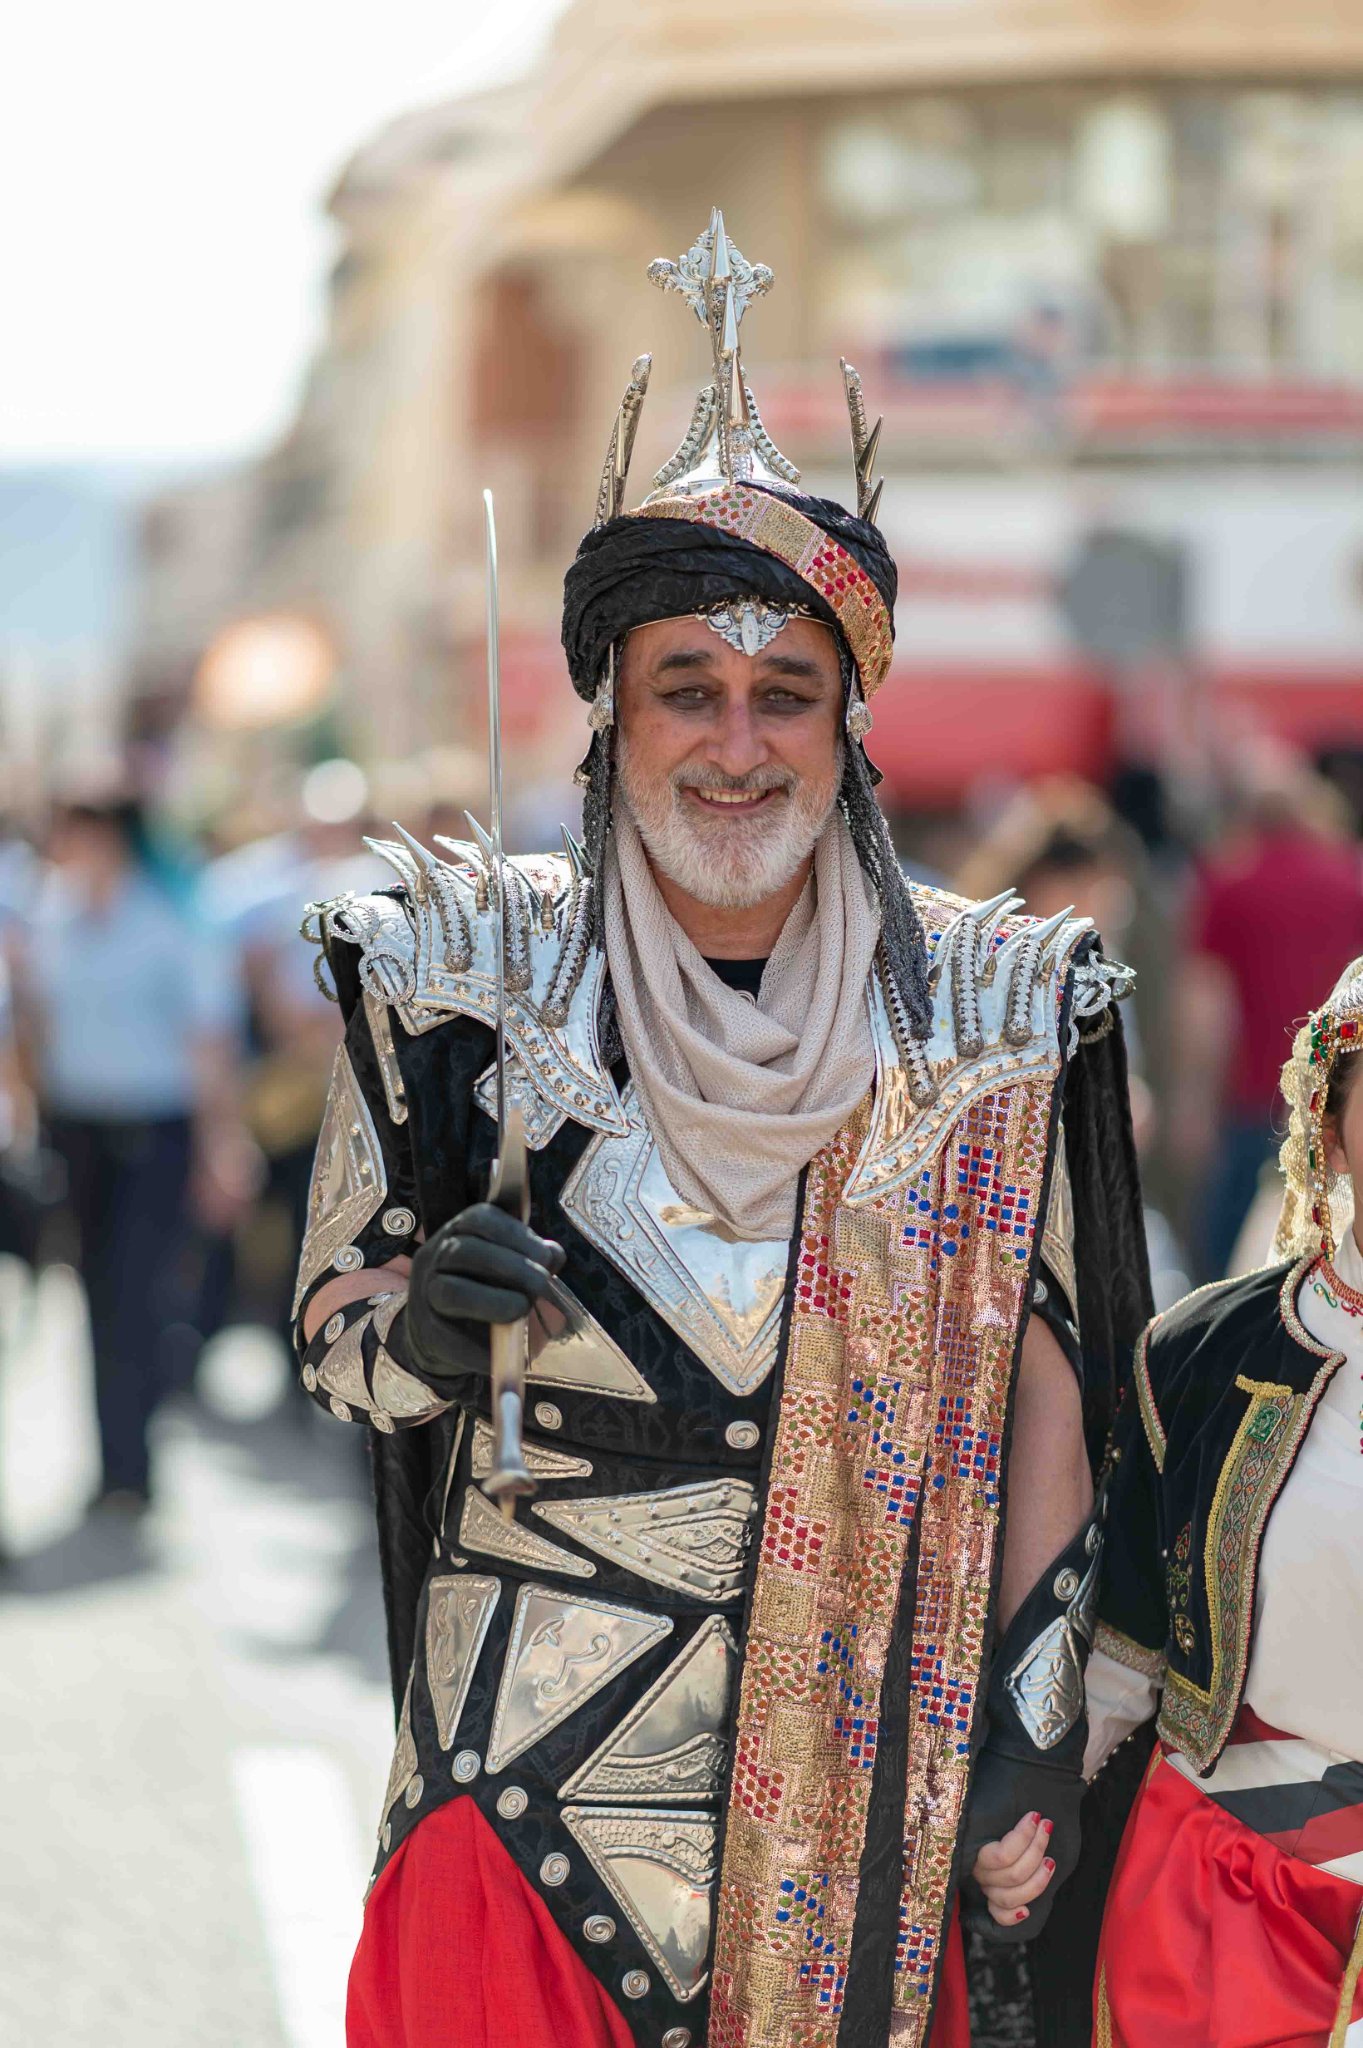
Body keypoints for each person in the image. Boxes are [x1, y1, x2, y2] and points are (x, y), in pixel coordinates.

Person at [292, 215, 1150, 2048]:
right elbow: (335, 1345)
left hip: (872, 1792)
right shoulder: (455, 975)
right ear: (612, 710)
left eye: (786, 695)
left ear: (850, 725)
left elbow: (1052, 1395)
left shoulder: (992, 1009)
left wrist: (1024, 1730)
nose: (736, 744)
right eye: (688, 688)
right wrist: (423, 1325)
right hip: (519, 1786)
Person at [1084, 954, 1363, 2045]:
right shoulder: (1204, 1351)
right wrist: (1011, 1821)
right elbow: (1119, 1660)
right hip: (1230, 1907)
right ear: (1327, 1123)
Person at [12, 793, 249, 1509]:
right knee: (90, 1294)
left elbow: (208, 1039)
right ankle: (112, 1461)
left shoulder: (169, 917)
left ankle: (134, 1463)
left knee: (138, 1290)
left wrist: (221, 1143)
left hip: (155, 1128)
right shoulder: (49, 917)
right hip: (74, 1128)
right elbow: (33, 1022)